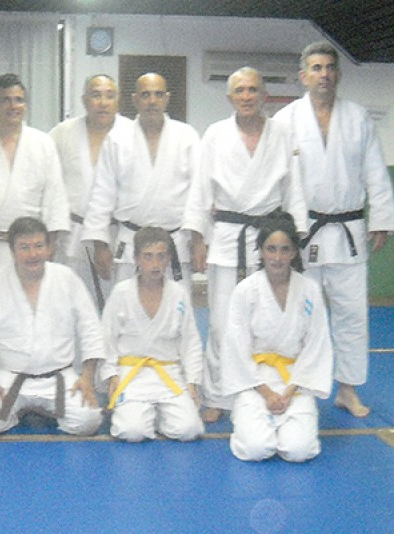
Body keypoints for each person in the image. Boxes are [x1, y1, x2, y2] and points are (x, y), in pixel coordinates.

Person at [274, 42, 394, 418]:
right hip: (303, 230)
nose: (324, 74)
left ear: (337, 74)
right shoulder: (286, 120)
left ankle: (347, 389)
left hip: (348, 231)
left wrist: (382, 219)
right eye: (316, 68)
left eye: (329, 67)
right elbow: (278, 176)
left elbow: (375, 171)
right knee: (299, 313)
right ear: (303, 76)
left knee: (352, 314)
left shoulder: (358, 117)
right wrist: (280, 229)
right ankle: (295, 385)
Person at [182, 67, 308, 423]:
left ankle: (256, 391)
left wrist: (296, 239)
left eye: (253, 89)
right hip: (227, 238)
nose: (247, 96)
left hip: (271, 240)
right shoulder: (215, 134)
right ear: (230, 97)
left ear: (264, 95)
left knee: (263, 322)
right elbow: (200, 189)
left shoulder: (281, 133)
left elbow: (293, 188)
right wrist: (197, 238)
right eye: (240, 90)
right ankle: (217, 396)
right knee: (222, 324)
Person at [0, 217, 104, 437]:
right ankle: (24, 409)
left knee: (89, 421)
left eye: (39, 246)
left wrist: (87, 377)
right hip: (9, 376)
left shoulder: (66, 278)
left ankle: (41, 409)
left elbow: (90, 327)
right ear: (12, 250)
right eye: (24, 247)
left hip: (58, 376)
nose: (33, 254)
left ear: (49, 248)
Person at [222, 212, 332, 462]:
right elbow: (236, 348)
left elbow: (317, 345)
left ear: (294, 253)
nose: (278, 257)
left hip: (296, 378)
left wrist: (290, 390)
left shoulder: (309, 290)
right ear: (261, 251)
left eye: (285, 250)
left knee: (298, 450)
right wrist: (266, 393)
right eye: (271, 249)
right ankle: (245, 414)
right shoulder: (245, 291)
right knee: (255, 448)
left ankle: (290, 419)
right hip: (255, 379)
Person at [82, 73, 200, 298]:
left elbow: (199, 194)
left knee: (177, 308)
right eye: (145, 95)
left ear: (167, 98)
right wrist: (100, 243)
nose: (152, 101)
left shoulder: (187, 136)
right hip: (130, 245)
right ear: (135, 99)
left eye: (158, 94)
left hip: (174, 243)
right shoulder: (117, 139)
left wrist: (198, 240)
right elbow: (102, 193)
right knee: (126, 309)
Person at [100, 227, 203, 442]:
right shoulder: (121, 292)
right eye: (148, 256)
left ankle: (156, 415)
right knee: (132, 431)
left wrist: (192, 381)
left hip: (168, 373)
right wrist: (111, 375)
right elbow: (106, 338)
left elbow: (190, 340)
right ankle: (143, 413)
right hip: (131, 374)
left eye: (161, 256)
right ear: (136, 258)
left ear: (169, 259)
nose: (155, 264)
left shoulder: (178, 293)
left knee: (189, 430)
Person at [50, 74, 130, 308]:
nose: (103, 102)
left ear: (118, 100)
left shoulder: (131, 133)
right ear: (84, 100)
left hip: (118, 234)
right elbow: (49, 185)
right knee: (71, 305)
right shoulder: (62, 133)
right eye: (96, 95)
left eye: (109, 96)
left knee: (118, 306)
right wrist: (50, 234)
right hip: (73, 234)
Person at [0, 73, 69, 274]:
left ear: (26, 105)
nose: (13, 106)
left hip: (32, 247)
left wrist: (51, 242)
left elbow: (55, 197)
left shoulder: (42, 143)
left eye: (19, 100)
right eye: (6, 100)